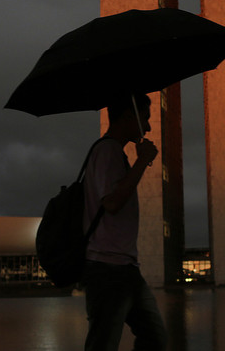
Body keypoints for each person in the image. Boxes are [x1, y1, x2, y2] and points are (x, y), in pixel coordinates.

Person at [81, 93, 167, 351]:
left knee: (155, 338)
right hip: (108, 269)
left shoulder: (114, 152)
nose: (148, 127)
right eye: (145, 118)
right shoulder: (107, 151)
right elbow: (112, 203)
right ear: (128, 117)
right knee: (105, 344)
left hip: (124, 267)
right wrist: (142, 161)